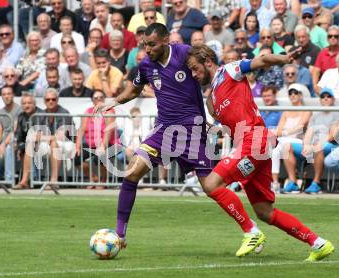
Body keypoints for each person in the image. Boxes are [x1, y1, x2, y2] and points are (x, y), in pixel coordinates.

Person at [94, 23, 267, 257]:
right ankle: (120, 234)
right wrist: (114, 101)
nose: (148, 49)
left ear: (166, 40)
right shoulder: (146, 64)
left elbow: (207, 67)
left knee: (210, 187)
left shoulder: (185, 53)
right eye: (145, 44)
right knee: (132, 172)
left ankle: (251, 231)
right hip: (163, 130)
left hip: (192, 132)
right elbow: (134, 90)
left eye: (152, 44)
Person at [186, 43, 334, 261]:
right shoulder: (211, 100)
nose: (193, 74)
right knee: (265, 212)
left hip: (255, 140)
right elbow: (226, 126)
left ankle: (251, 232)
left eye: (194, 68)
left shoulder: (229, 70)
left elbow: (261, 61)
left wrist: (285, 58)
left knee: (211, 184)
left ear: (208, 61)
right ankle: (318, 243)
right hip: (252, 144)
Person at [283, 88, 339, 194]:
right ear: (320, 100)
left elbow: (332, 135)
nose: (325, 99)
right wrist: (306, 144)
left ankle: (316, 183)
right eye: (323, 97)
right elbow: (309, 131)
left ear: (333, 99)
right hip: (312, 144)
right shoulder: (315, 114)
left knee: (317, 148)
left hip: (329, 145)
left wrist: (317, 144)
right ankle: (293, 182)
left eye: (328, 96)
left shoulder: (338, 113)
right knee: (287, 147)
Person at [76, 90, 122, 188]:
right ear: (92, 100)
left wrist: (103, 146)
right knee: (76, 157)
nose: (99, 99)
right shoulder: (88, 111)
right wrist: (77, 145)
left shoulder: (109, 110)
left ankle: (103, 181)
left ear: (104, 99)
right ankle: (93, 179)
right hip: (90, 143)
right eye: (96, 98)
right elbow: (81, 129)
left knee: (100, 155)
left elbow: (108, 130)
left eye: (101, 97)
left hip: (109, 142)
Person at [273, 83, 312, 192]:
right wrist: (285, 133)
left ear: (300, 95)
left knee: (279, 147)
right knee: (274, 150)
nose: (293, 95)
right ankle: (275, 183)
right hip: (284, 141)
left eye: (295, 93)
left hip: (298, 141)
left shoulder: (306, 110)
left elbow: (300, 127)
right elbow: (279, 130)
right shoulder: (286, 111)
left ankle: (291, 181)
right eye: (290, 93)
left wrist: (284, 132)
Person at [13, 93, 46, 189]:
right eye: (24, 103)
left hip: (42, 143)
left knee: (29, 146)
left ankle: (24, 181)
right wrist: (19, 147)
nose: (26, 105)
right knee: (10, 148)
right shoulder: (21, 116)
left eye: (29, 103)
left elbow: (40, 134)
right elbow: (18, 135)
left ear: (34, 104)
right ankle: (9, 179)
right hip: (28, 143)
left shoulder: (41, 114)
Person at [312, 25, 339, 93]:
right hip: (324, 85)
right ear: (327, 38)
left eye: (336, 36)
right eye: (330, 36)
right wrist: (315, 86)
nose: (332, 38)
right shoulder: (322, 52)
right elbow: (316, 70)